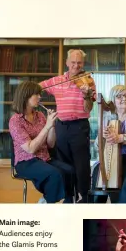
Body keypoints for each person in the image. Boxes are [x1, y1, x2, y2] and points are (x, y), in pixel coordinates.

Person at [40, 49, 97, 202]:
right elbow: (37, 88)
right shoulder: (57, 80)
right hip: (61, 126)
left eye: (79, 63)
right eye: (73, 62)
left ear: (83, 64)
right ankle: (67, 197)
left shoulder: (88, 81)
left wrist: (86, 95)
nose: (76, 66)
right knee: (64, 164)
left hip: (79, 126)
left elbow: (89, 108)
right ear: (67, 63)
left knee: (81, 164)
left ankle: (83, 197)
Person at [8, 81, 74, 204]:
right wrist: (47, 127)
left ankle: (66, 205)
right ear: (26, 96)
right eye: (36, 94)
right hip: (26, 161)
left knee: (69, 171)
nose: (39, 97)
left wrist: (52, 126)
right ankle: (47, 202)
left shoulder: (40, 116)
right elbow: (30, 149)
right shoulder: (15, 121)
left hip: (44, 158)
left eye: (39, 94)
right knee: (54, 173)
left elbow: (51, 144)